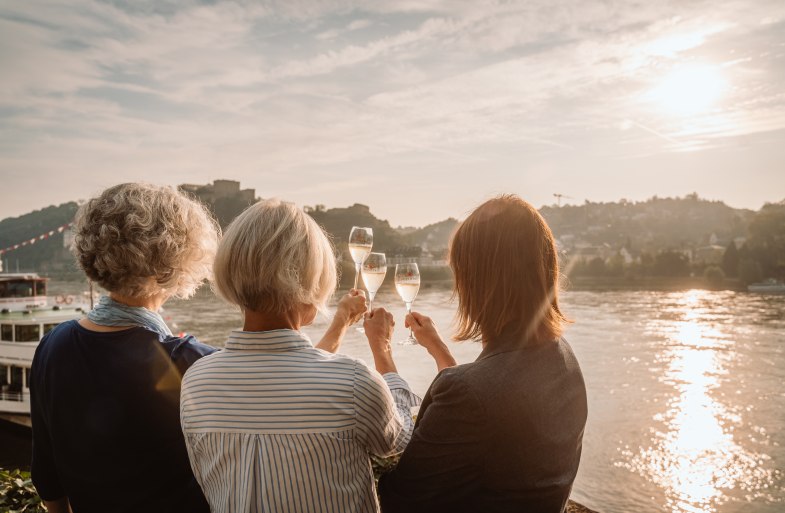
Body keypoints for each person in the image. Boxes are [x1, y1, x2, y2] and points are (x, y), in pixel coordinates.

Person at [30, 183, 367, 513]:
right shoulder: (187, 364)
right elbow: (295, 389)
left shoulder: (51, 346)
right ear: (174, 262)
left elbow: (48, 479)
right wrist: (339, 325)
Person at [180, 199, 423, 513]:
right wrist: (384, 353)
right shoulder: (352, 382)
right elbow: (398, 442)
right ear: (311, 281)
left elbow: (283, 389)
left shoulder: (197, 382)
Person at [378, 194, 588, 513]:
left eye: (459, 272)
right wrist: (439, 349)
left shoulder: (468, 393)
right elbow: (488, 407)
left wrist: (382, 353)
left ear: (479, 280)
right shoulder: (563, 359)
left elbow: (399, 501)